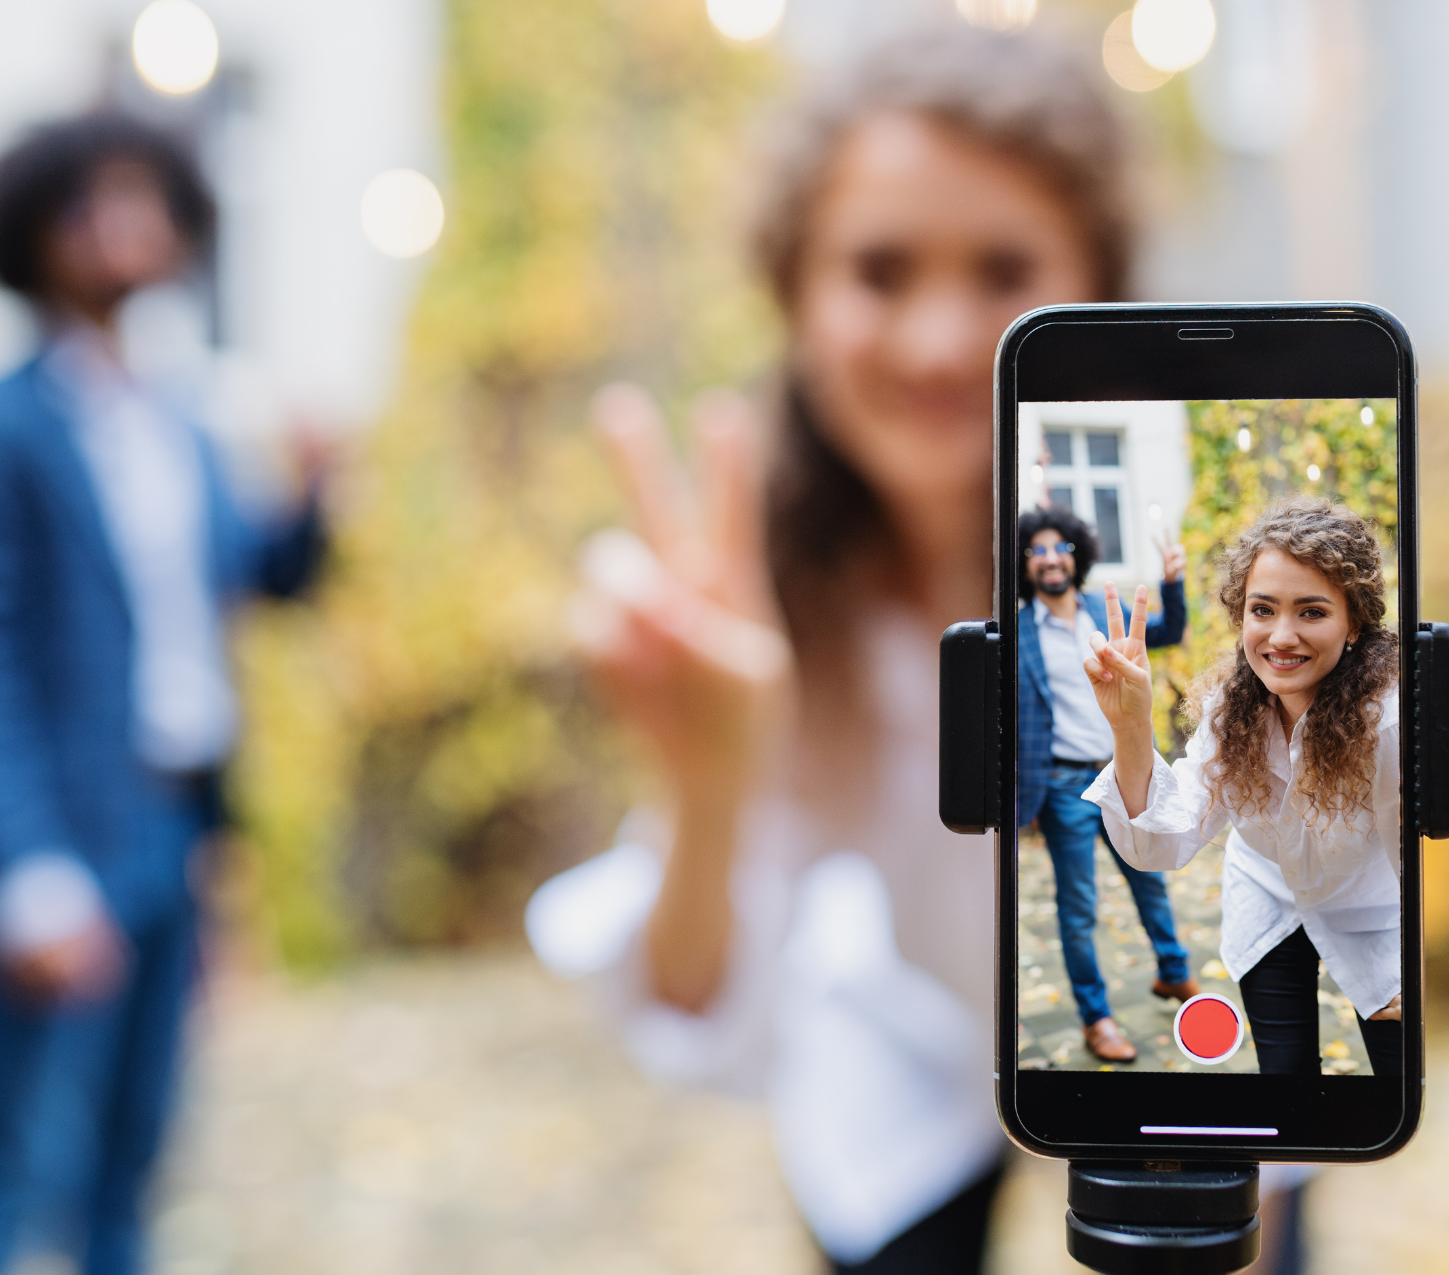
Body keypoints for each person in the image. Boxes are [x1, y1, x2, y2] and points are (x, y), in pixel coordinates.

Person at [529, 24, 1132, 1274]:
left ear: (1095, 288)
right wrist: (708, 785)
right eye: (879, 270)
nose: (940, 340)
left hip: (1146, 1043)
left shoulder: (1172, 568)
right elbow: (699, 1001)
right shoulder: (765, 584)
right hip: (903, 1055)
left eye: (1004, 268)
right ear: (793, 294)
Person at [0, 115, 326, 1274]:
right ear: (39, 233)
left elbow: (257, 580)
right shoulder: (17, 425)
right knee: (31, 1153)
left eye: (145, 201)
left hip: (180, 825)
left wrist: (319, 497)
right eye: (91, 205)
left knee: (138, 1150)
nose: (123, 229)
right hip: (72, 839)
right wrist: (29, 872)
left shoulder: (183, 420)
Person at [1080, 496, 1403, 1077]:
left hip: (1377, 913)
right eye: (1263, 609)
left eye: (1311, 612)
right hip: (1269, 896)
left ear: (1354, 622)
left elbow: (1422, 855)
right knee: (1286, 1081)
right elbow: (1162, 842)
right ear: (1241, 616)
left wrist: (1418, 957)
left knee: (1399, 1080)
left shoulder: (1390, 721)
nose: (1281, 636)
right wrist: (1130, 725)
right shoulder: (1232, 712)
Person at [1016, 505, 1194, 1062]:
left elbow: (1166, 630)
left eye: (1059, 547)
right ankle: (1097, 1018)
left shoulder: (1102, 613)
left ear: (1077, 554)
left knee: (1150, 877)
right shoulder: (1016, 631)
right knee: (1078, 908)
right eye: (1037, 549)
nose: (1049, 558)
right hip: (1062, 785)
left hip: (1118, 773)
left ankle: (1174, 972)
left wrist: (1173, 581)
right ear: (1024, 563)